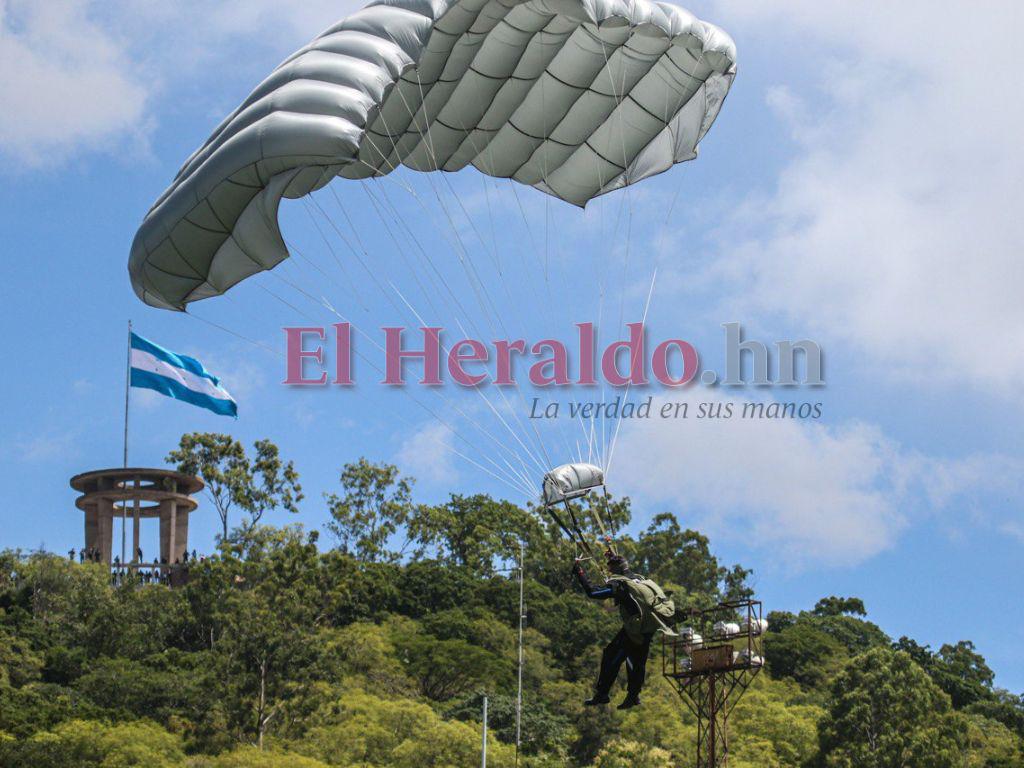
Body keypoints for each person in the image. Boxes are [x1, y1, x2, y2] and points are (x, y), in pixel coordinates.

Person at [573, 552, 675, 710]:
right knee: (636, 661)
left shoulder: (619, 585)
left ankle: (602, 694)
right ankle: (633, 696)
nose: (609, 574)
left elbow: (593, 592)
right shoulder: (638, 577)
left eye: (610, 570)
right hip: (650, 625)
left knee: (611, 656)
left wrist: (579, 572)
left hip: (635, 629)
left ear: (615, 570)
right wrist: (613, 558)